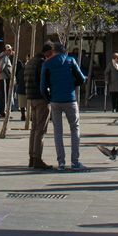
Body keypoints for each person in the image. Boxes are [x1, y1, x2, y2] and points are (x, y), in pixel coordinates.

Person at [42, 41, 90, 170]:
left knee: (58, 131)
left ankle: (61, 162)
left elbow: (43, 86)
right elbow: (81, 79)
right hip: (70, 98)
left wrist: (49, 98)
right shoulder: (71, 60)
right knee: (75, 129)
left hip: (55, 100)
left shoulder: (47, 64)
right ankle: (75, 162)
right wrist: (71, 84)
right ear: (64, 51)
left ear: (53, 51)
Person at [25, 41, 54, 169]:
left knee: (34, 128)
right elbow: (45, 80)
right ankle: (37, 158)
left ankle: (32, 157)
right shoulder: (42, 63)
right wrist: (48, 97)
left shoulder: (30, 62)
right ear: (48, 52)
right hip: (41, 98)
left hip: (31, 98)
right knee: (40, 130)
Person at [0, 44, 19, 123]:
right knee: (5, 96)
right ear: (5, 51)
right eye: (8, 50)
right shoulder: (5, 58)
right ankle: (3, 113)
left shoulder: (5, 57)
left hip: (4, 78)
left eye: (10, 50)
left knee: (4, 96)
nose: (10, 51)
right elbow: (1, 68)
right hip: (4, 79)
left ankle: (3, 112)